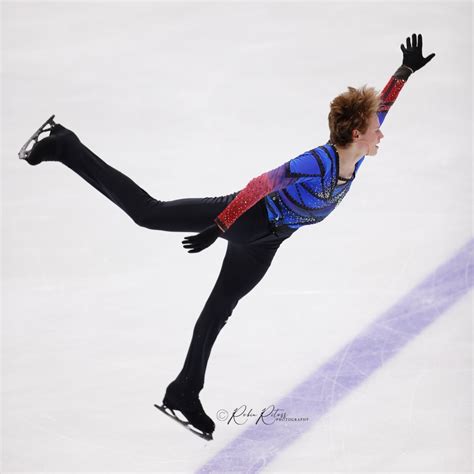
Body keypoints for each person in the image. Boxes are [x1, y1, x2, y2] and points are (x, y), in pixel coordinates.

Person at [19, 33, 435, 439]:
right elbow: (260, 184)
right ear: (356, 134)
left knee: (219, 309)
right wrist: (220, 226)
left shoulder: (357, 152)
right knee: (149, 213)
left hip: (269, 241)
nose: (381, 133)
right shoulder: (319, 162)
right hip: (247, 216)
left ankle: (184, 391)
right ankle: (65, 145)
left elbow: (384, 104)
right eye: (374, 129)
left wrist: (405, 70)